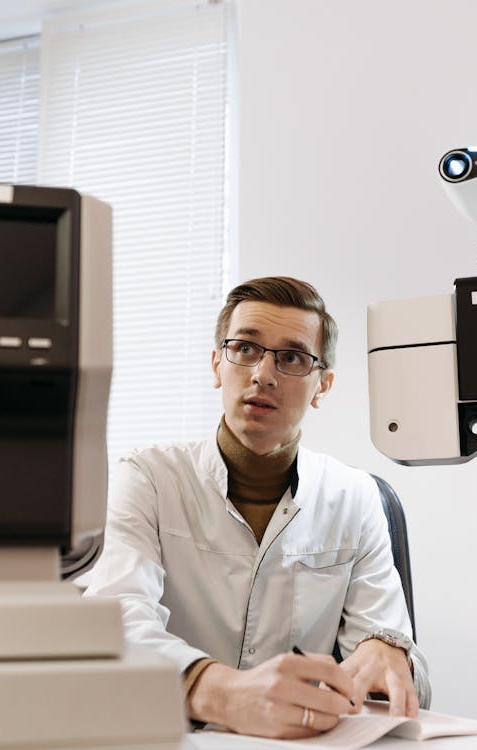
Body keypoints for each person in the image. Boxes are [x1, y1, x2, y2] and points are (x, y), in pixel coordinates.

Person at [84, 276, 431, 738]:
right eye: (245, 349)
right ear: (216, 365)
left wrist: (391, 656)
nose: (263, 374)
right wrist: (220, 692)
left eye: (291, 357)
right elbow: (114, 621)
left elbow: (399, 669)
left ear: (322, 386)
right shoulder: (148, 477)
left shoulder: (355, 496)